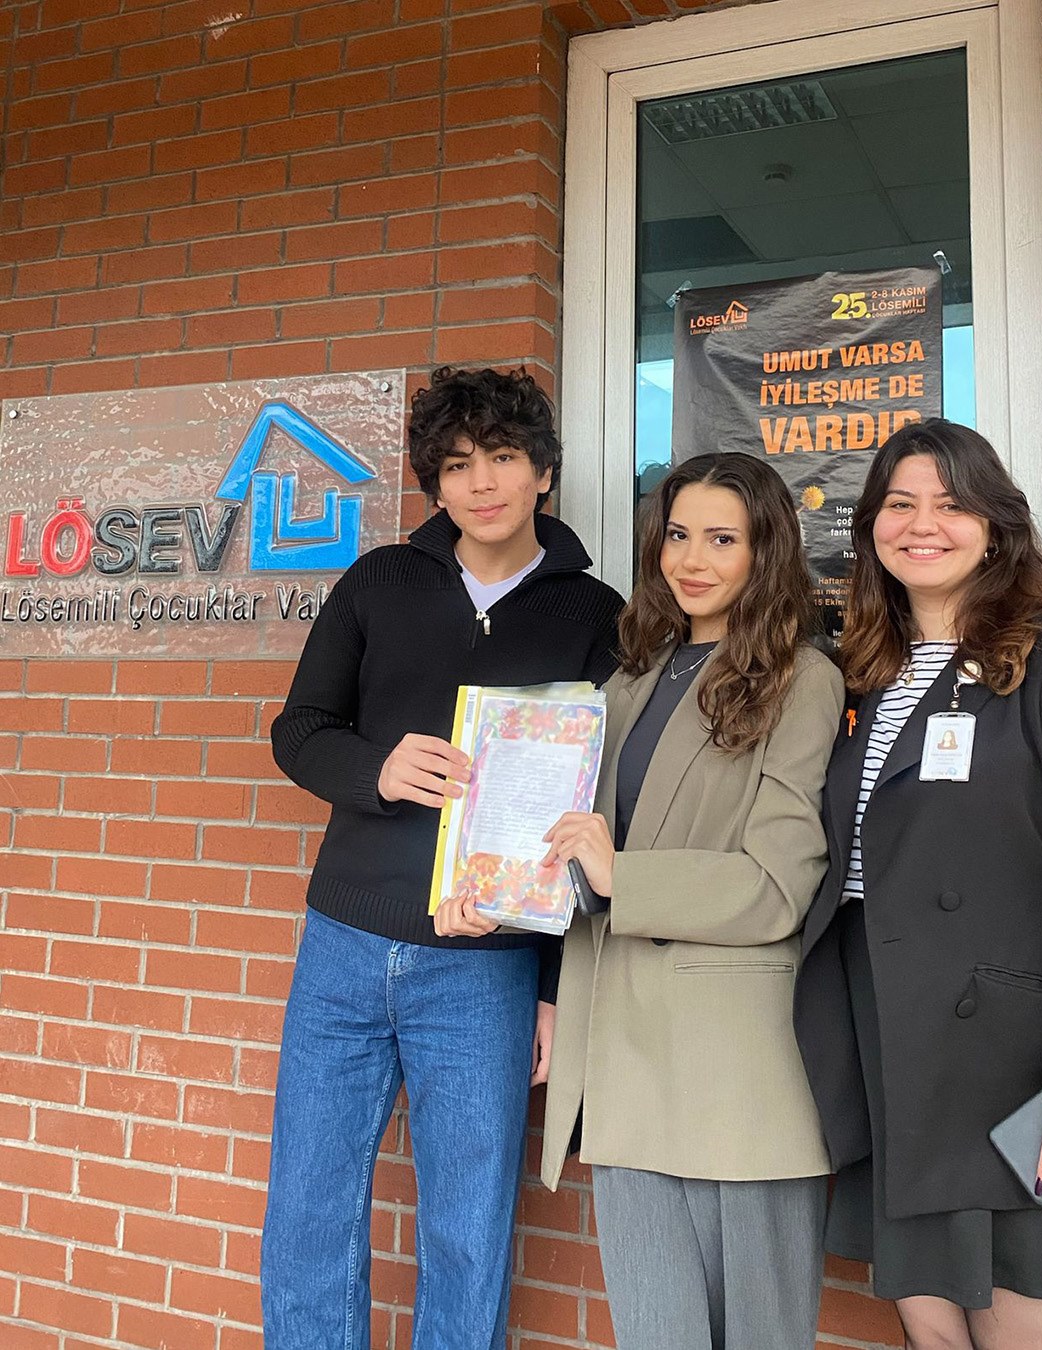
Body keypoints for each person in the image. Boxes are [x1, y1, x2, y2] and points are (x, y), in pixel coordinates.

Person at [261, 366, 624, 1350]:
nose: (482, 483)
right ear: (435, 482)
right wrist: (376, 768)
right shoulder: (379, 581)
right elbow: (299, 730)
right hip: (344, 942)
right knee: (308, 1214)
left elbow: (599, 812)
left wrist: (553, 987)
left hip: (487, 966)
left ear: (543, 471)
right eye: (457, 465)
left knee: (467, 1234)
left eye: (503, 457)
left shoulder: (595, 616)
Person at [536, 452, 844, 1350]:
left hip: (733, 1071)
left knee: (758, 1336)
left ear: (765, 552)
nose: (692, 559)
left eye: (722, 539)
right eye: (677, 534)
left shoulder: (803, 679)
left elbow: (777, 884)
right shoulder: (631, 678)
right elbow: (575, 854)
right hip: (623, 1058)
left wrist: (623, 876)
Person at [793, 419, 1042, 1350]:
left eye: (951, 505)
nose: (923, 525)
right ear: (870, 527)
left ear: (995, 526)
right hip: (890, 1048)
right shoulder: (863, 670)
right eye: (900, 504)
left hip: (1014, 1069)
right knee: (934, 1334)